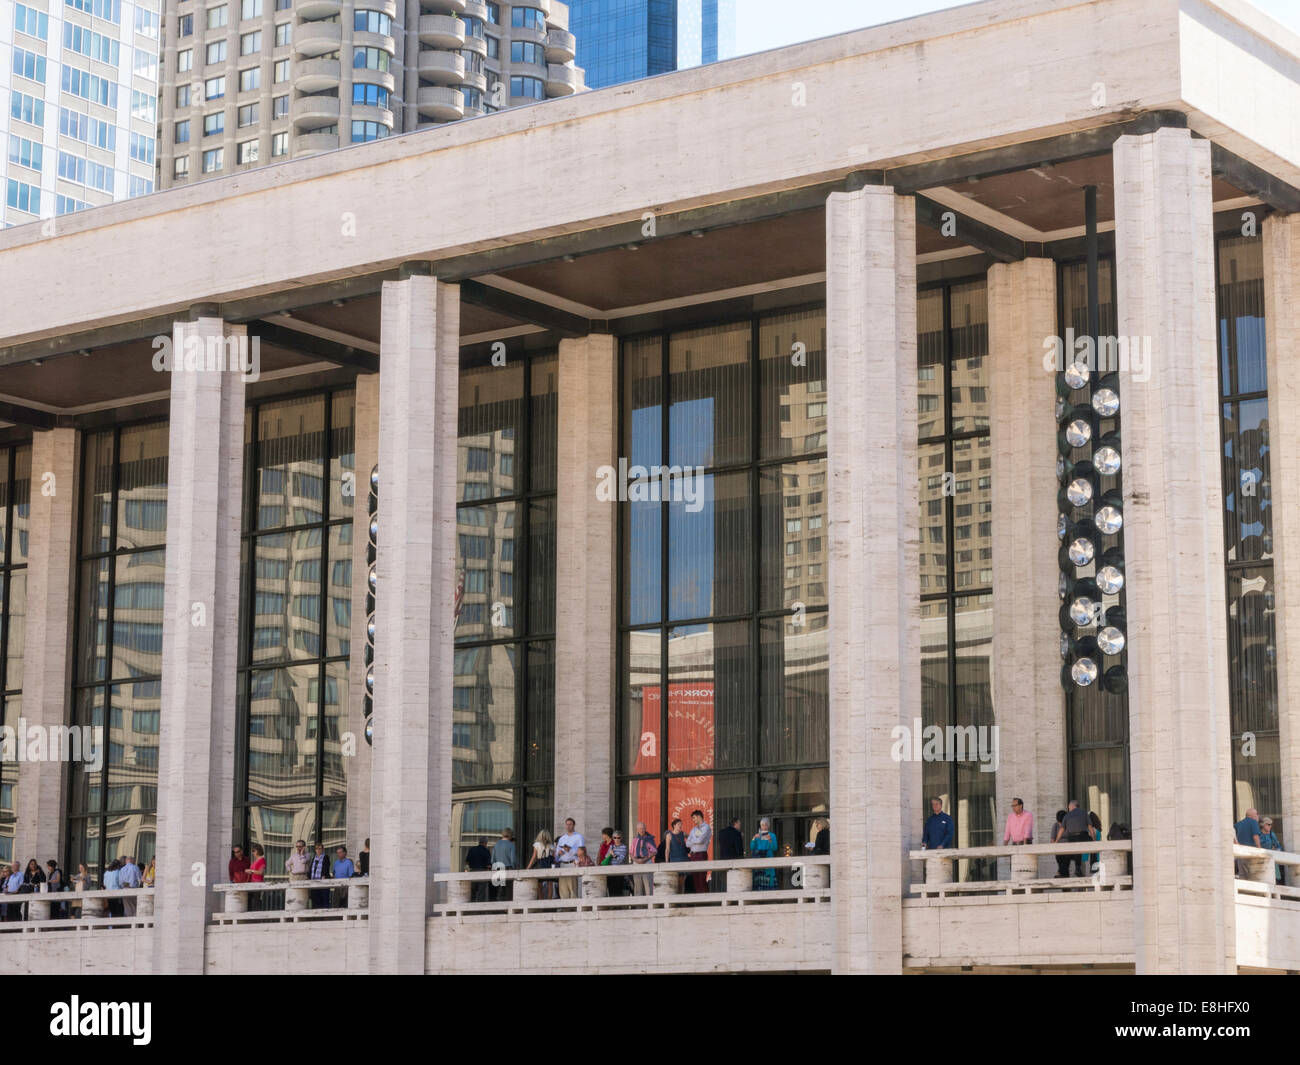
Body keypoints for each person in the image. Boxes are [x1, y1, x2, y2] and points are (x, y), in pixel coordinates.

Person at [554, 818, 584, 900]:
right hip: (562, 864)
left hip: (572, 863)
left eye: (570, 824)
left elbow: (581, 852)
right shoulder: (562, 838)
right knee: (563, 888)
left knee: (572, 887)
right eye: (567, 824)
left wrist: (570, 850)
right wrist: (559, 853)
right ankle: (565, 908)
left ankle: (573, 908)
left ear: (574, 825)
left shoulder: (578, 837)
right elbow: (556, 854)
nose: (568, 826)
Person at [1061, 800, 1092, 876]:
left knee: (1074, 851)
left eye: (1069, 807)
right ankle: (1091, 864)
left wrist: (1056, 841)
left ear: (1072, 806)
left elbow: (1061, 829)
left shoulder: (1067, 815)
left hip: (1072, 838)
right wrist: (1093, 839)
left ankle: (1076, 868)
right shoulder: (1084, 813)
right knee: (1092, 847)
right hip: (1083, 836)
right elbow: (1090, 827)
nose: (1068, 808)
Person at [686, 809, 711, 894]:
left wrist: (694, 840)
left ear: (699, 816)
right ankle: (699, 898)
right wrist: (695, 840)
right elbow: (687, 843)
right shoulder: (693, 829)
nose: (693, 820)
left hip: (701, 854)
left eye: (694, 818)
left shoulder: (706, 827)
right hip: (693, 855)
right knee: (695, 878)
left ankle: (705, 899)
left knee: (701, 877)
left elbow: (701, 840)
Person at [526, 829, 555, 900]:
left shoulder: (536, 845)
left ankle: (541, 899)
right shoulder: (552, 846)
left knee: (539, 884)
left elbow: (534, 857)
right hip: (549, 866)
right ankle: (549, 901)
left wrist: (528, 867)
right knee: (550, 884)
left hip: (540, 865)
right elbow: (554, 858)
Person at [630, 822, 657, 896]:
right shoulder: (635, 840)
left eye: (642, 828)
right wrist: (636, 860)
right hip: (636, 864)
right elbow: (631, 853)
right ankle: (639, 907)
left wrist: (645, 859)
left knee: (648, 887)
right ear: (637, 830)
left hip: (647, 863)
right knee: (638, 888)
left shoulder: (650, 839)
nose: (641, 830)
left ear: (645, 829)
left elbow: (654, 851)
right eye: (639, 829)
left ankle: (649, 906)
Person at [751, 818, 779, 890]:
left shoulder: (772, 835)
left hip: (768, 857)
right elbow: (752, 847)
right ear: (760, 826)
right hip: (759, 858)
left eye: (766, 825)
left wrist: (770, 840)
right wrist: (754, 838)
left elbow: (775, 848)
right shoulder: (757, 836)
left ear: (768, 826)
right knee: (759, 877)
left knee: (769, 876)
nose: (764, 827)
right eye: (762, 825)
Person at [1234, 808, 1263, 877]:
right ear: (1251, 815)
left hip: (1240, 854)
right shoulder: (1253, 822)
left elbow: (1233, 838)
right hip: (1251, 853)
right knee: (1252, 876)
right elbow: (1255, 836)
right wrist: (1260, 849)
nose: (1257, 816)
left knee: (1242, 875)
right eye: (1256, 814)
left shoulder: (1238, 824)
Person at [600, 829, 629, 897]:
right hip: (611, 870)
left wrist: (613, 855)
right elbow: (606, 856)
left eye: (618, 837)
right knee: (611, 889)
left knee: (618, 889)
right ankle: (612, 906)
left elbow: (620, 860)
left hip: (619, 871)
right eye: (615, 838)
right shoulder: (611, 846)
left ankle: (618, 906)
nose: (617, 839)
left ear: (621, 838)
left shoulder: (624, 847)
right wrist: (609, 854)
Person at [491, 828, 516, 902]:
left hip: (498, 868)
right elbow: (513, 860)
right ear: (510, 835)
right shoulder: (511, 845)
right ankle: (508, 908)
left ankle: (499, 907)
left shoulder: (496, 844)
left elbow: (492, 860)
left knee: (499, 889)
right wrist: (514, 868)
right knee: (509, 890)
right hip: (508, 869)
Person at [465, 837, 492, 902]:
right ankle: (479, 909)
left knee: (472, 892)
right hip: (482, 872)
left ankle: (471, 908)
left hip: (472, 872)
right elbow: (488, 865)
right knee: (481, 893)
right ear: (485, 843)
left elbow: (467, 862)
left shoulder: (472, 849)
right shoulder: (486, 851)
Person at [665, 818, 688, 891]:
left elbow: (691, 839)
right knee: (675, 880)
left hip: (683, 858)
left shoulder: (683, 834)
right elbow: (667, 849)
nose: (680, 826)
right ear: (674, 825)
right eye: (678, 824)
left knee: (682, 881)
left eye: (681, 824)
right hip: (674, 859)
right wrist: (666, 861)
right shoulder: (669, 835)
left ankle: (681, 898)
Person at [1260, 818, 1284, 883]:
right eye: (1268, 824)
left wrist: (1277, 851)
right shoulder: (1258, 834)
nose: (1270, 826)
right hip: (1261, 859)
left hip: (1271, 858)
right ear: (1263, 825)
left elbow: (1278, 846)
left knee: (1275, 878)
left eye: (1271, 825)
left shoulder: (1271, 834)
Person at [309, 843, 331, 909]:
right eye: (316, 849)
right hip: (314, 882)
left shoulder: (325, 857)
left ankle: (325, 917)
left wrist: (324, 875)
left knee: (324, 900)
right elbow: (311, 869)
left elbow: (326, 867)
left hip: (322, 882)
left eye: (319, 848)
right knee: (315, 900)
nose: (318, 850)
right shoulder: (314, 858)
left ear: (322, 849)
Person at [247, 845, 266, 911]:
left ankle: (257, 918)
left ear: (258, 851)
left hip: (258, 882)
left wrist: (251, 871)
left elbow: (261, 872)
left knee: (256, 901)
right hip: (252, 882)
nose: (252, 853)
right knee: (250, 900)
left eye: (253, 851)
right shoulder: (256, 860)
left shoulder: (262, 860)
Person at [1052, 810, 1070, 877]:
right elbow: (1052, 838)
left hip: (1068, 849)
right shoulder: (1055, 825)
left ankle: (1059, 872)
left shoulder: (1069, 825)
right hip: (1058, 849)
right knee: (1065, 868)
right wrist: (1054, 847)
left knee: (1065, 864)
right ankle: (1067, 887)